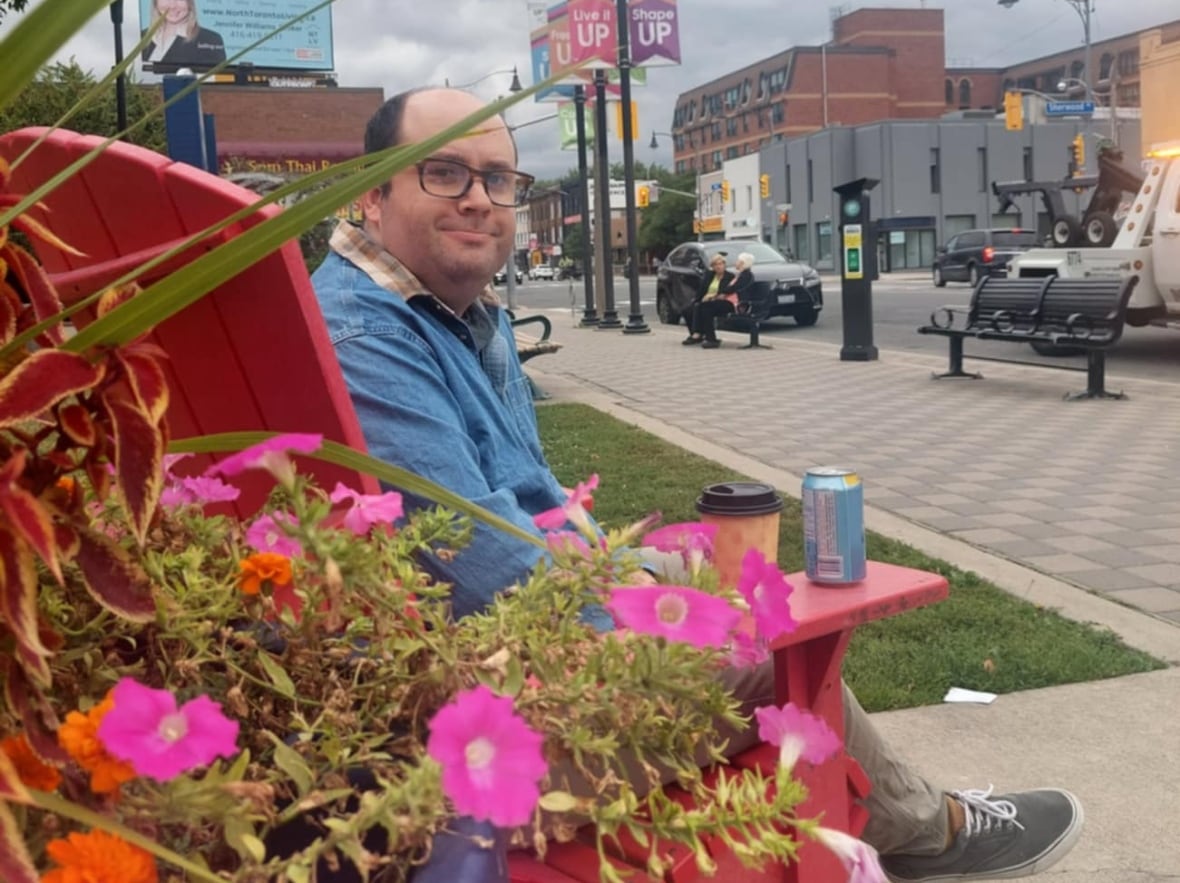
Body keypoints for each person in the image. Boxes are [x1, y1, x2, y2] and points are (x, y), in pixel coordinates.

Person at [310, 86, 1083, 881]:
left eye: (498, 179)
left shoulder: (449, 313)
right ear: (373, 192)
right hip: (473, 742)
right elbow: (495, 580)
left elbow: (528, 499)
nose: (478, 199)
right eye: (444, 173)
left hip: (503, 659)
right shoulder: (366, 338)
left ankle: (904, 819)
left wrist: (644, 580)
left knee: (706, 584)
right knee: (777, 656)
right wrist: (667, 623)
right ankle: (930, 831)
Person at [692, 250, 756, 349]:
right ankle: (705, 336)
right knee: (702, 306)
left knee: (706, 307)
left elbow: (734, 288)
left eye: (738, 261)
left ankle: (710, 339)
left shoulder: (746, 275)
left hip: (736, 304)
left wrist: (718, 295)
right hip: (730, 301)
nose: (736, 263)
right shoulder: (742, 274)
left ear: (742, 263)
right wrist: (719, 295)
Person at [142, 0, 226, 68]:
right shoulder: (142, 37)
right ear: (155, 2)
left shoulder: (210, 39)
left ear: (190, 3)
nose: (172, 6)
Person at [681, 254, 732, 344]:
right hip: (705, 300)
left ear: (724, 265)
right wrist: (697, 299)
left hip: (718, 301)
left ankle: (700, 335)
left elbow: (725, 291)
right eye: (715, 265)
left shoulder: (729, 276)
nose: (718, 266)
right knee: (687, 310)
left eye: (720, 264)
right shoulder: (709, 275)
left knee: (702, 307)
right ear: (712, 267)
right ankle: (696, 333)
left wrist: (712, 297)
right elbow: (701, 290)